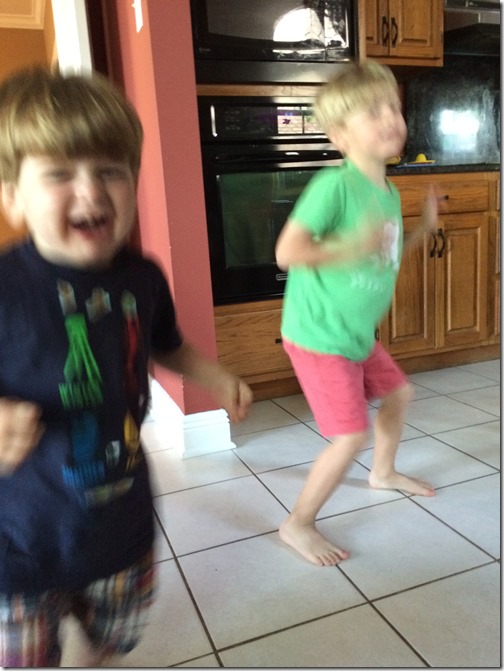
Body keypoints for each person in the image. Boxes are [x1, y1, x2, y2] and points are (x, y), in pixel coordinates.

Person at [0, 65, 253, 667]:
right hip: (19, 542)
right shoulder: (5, 288)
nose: (91, 191)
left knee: (114, 642)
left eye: (110, 170)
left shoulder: (143, 278)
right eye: (60, 174)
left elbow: (166, 344)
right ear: (12, 195)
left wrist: (215, 376)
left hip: (120, 527)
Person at [275, 60, 438, 568]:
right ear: (340, 136)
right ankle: (297, 523)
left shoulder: (387, 192)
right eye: (373, 111)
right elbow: (287, 252)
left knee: (400, 393)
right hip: (320, 335)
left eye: (393, 107)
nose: (390, 117)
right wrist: (348, 247)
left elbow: (384, 254)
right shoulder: (335, 186)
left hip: (357, 333)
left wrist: (423, 228)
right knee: (349, 434)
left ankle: (382, 473)